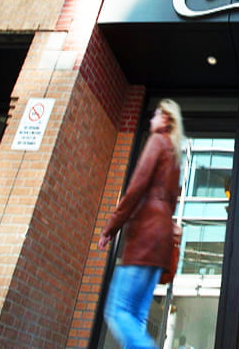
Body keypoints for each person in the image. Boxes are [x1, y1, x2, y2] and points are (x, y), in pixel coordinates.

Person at [99, 99, 184, 348]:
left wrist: (110, 228)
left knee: (118, 311)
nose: (151, 120)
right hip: (159, 245)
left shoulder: (157, 142)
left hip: (145, 240)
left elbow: (136, 188)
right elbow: (172, 202)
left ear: (166, 119)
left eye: (156, 115)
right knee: (136, 319)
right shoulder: (175, 156)